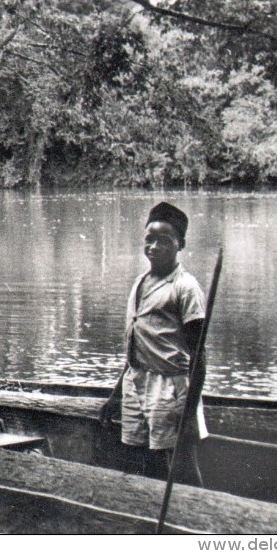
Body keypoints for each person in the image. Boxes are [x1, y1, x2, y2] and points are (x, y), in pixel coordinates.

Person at [98, 201, 207, 486]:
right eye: (149, 239)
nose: (154, 247)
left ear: (180, 244)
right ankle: (153, 517)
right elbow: (135, 348)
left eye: (164, 240)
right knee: (147, 458)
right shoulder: (140, 283)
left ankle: (198, 517)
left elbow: (199, 357)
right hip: (137, 382)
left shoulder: (185, 288)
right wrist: (116, 395)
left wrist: (190, 412)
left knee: (181, 461)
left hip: (171, 387)